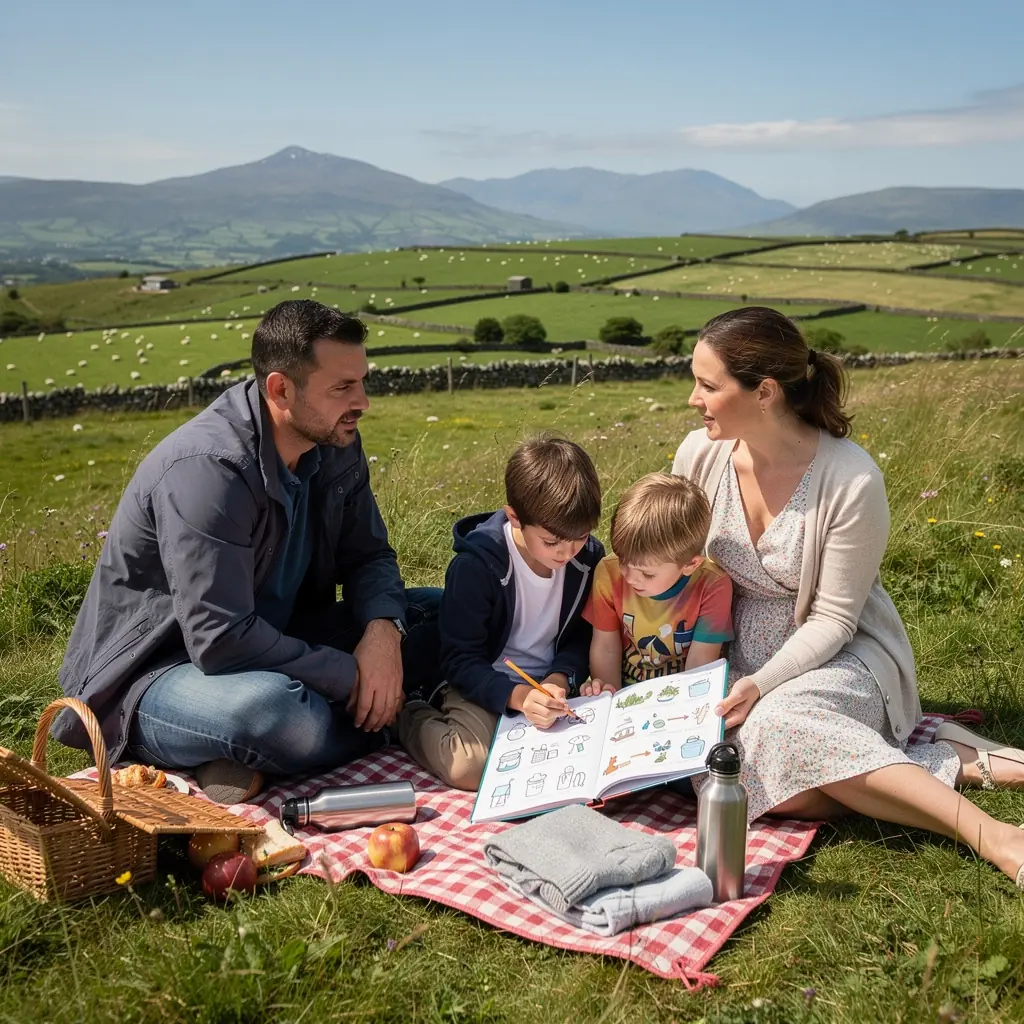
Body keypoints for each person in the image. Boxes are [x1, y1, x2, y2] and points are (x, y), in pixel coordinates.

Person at [672, 305, 1024, 886]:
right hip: (728, 657)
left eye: (707, 385)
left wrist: (762, 683)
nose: (693, 398)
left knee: (779, 729)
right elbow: (678, 568)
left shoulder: (851, 478)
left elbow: (835, 619)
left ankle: (994, 835)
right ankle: (935, 761)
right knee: (718, 775)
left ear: (763, 391)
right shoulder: (698, 456)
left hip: (840, 653)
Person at [52, 300, 442, 803]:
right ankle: (395, 717)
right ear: (281, 389)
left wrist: (384, 636)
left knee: (438, 611)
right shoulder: (207, 470)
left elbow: (369, 556)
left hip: (281, 635)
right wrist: (352, 675)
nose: (362, 401)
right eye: (343, 387)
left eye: (361, 381)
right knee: (272, 713)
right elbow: (220, 639)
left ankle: (262, 754)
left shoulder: (336, 441)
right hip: (159, 675)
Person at [399, 435, 604, 790]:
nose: (567, 552)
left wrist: (560, 678)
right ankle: (406, 712)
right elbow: (460, 660)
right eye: (553, 541)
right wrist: (519, 697)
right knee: (469, 767)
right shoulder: (477, 567)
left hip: (553, 690)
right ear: (515, 517)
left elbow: (582, 636)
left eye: (581, 537)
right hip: (485, 683)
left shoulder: (588, 560)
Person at [580, 472, 733, 695]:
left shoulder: (712, 586)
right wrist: (608, 696)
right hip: (626, 691)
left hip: (679, 693)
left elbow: (701, 663)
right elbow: (605, 647)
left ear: (690, 565)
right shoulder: (609, 573)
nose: (630, 577)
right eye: (623, 560)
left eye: (647, 574)